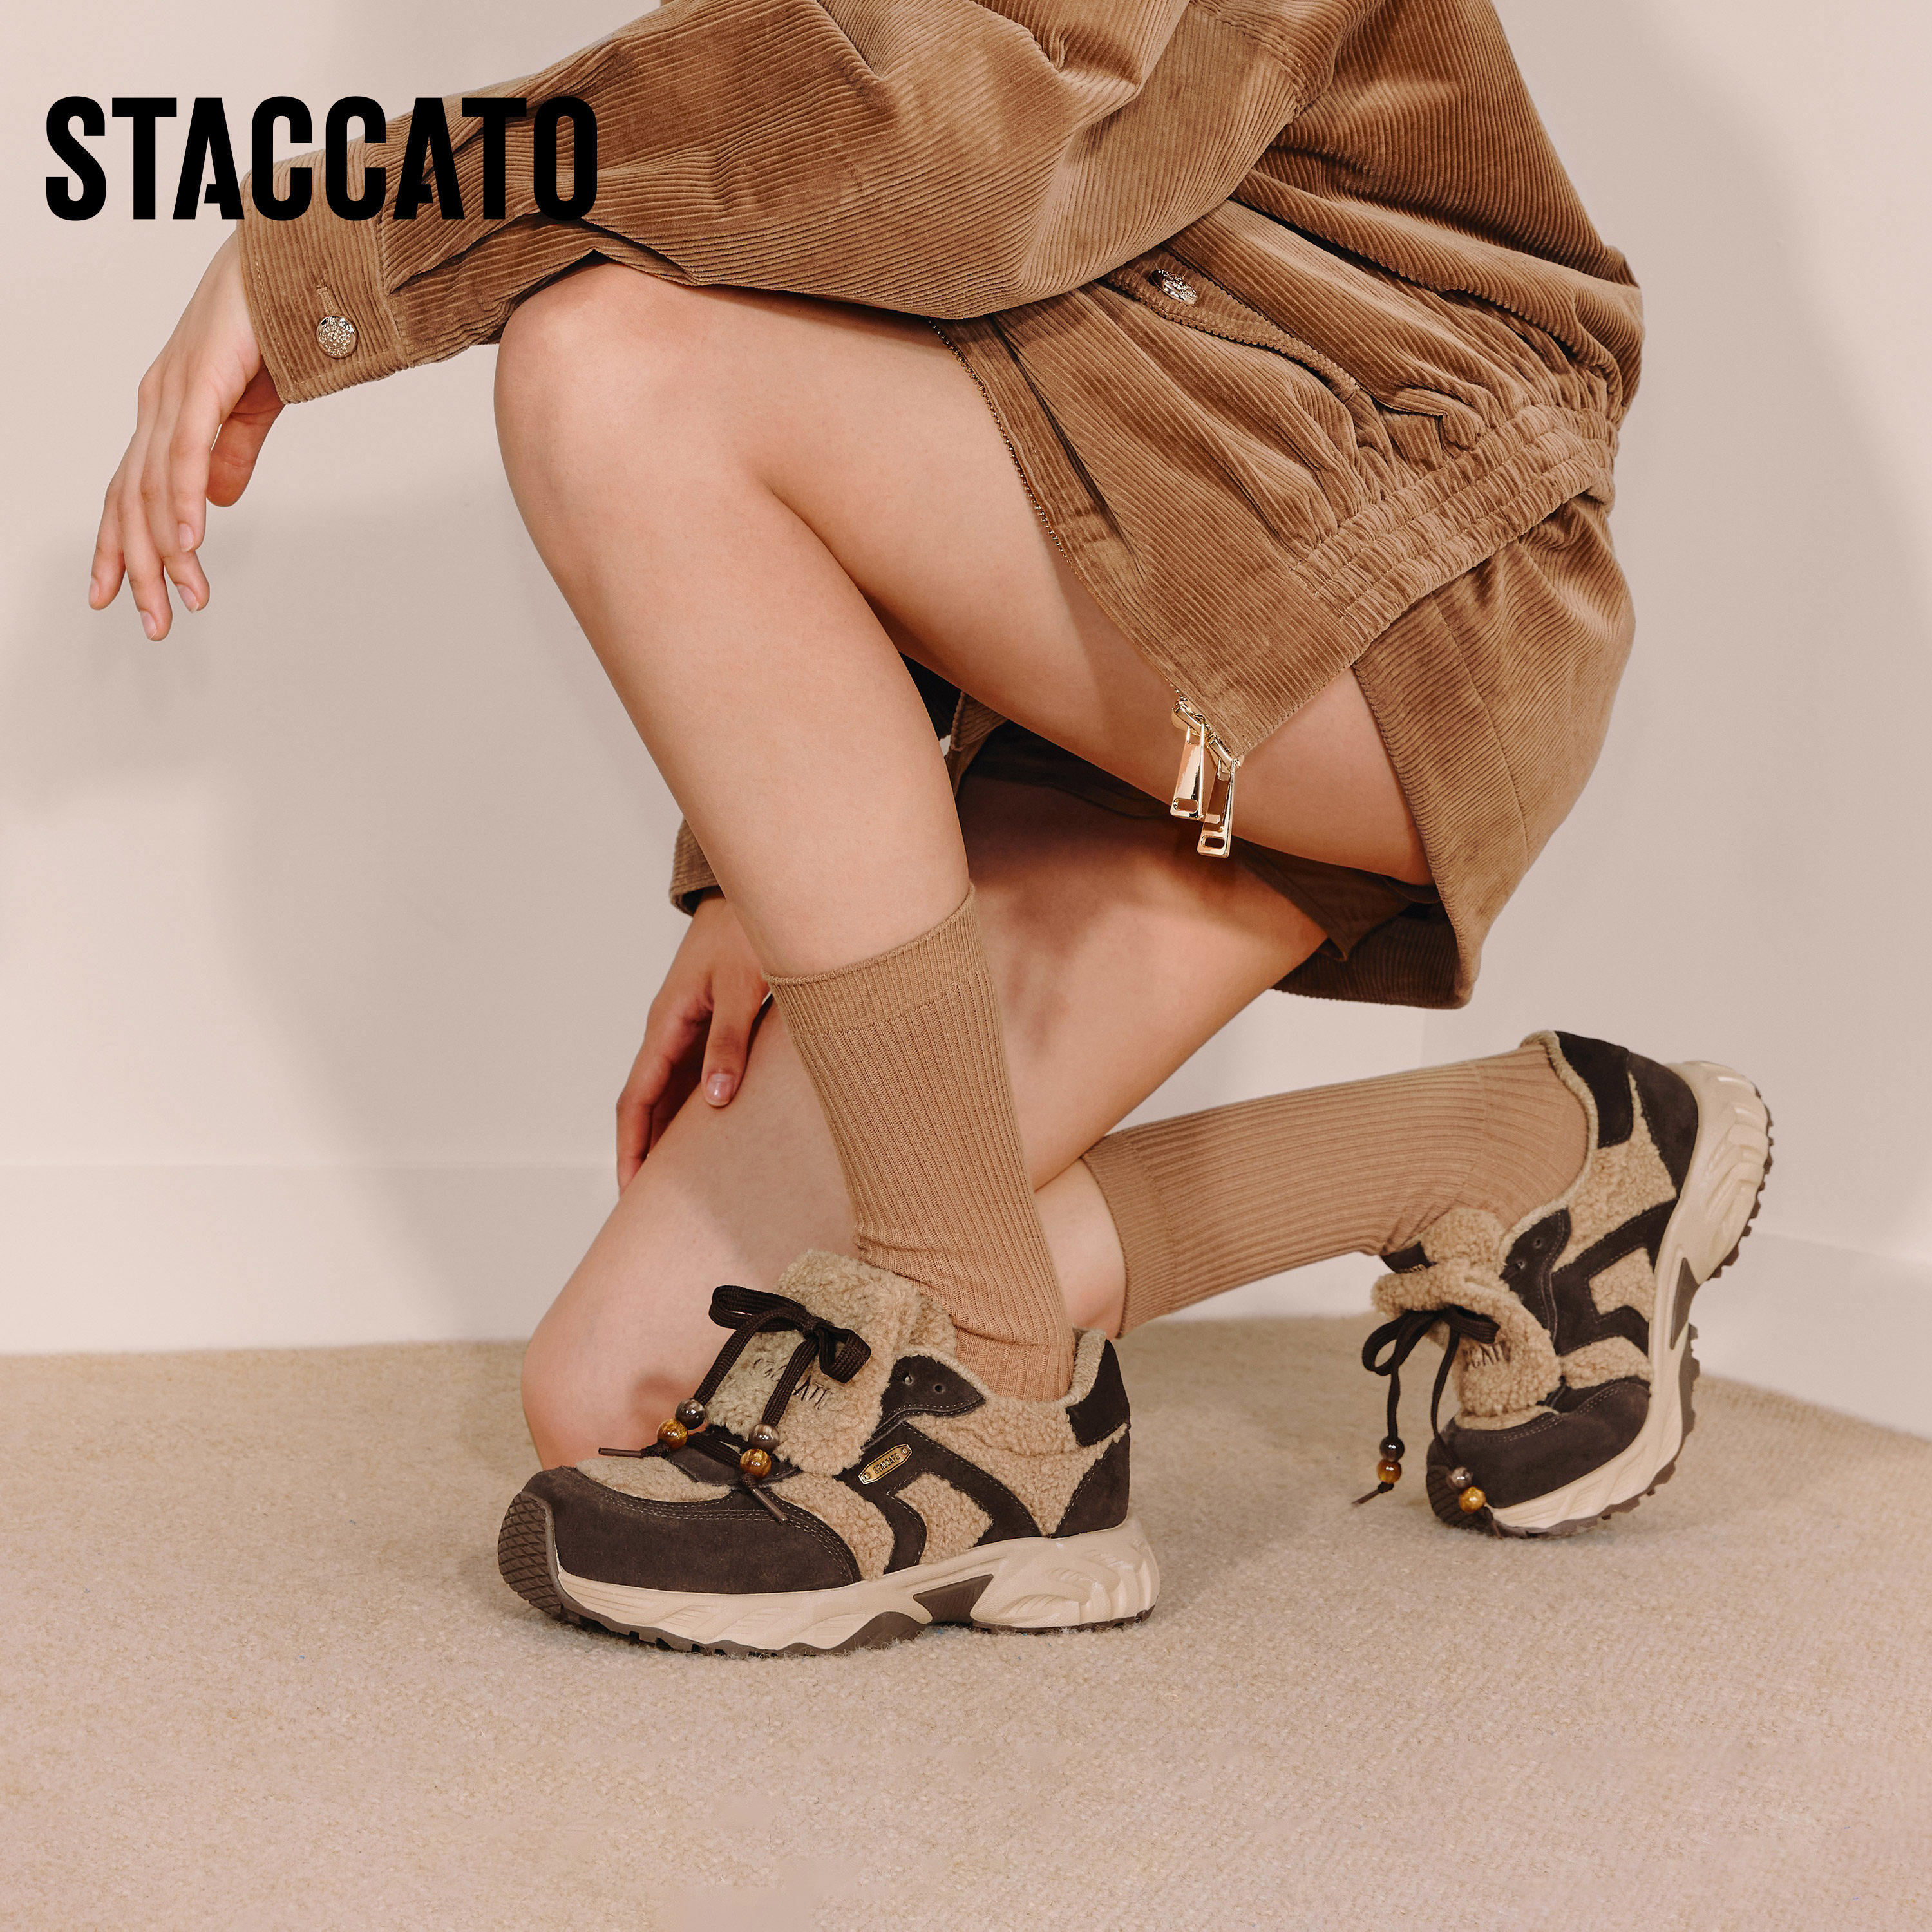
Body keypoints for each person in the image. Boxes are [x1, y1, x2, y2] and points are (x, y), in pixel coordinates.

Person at [90, 0, 1771, 1653]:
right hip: (1110, 637)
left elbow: (981, 142)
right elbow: (862, 258)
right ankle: (1531, 1155)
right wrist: (770, 858)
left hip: (1385, 571)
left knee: (604, 369)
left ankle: (1005, 1416)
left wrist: (345, 227)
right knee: (630, 1389)